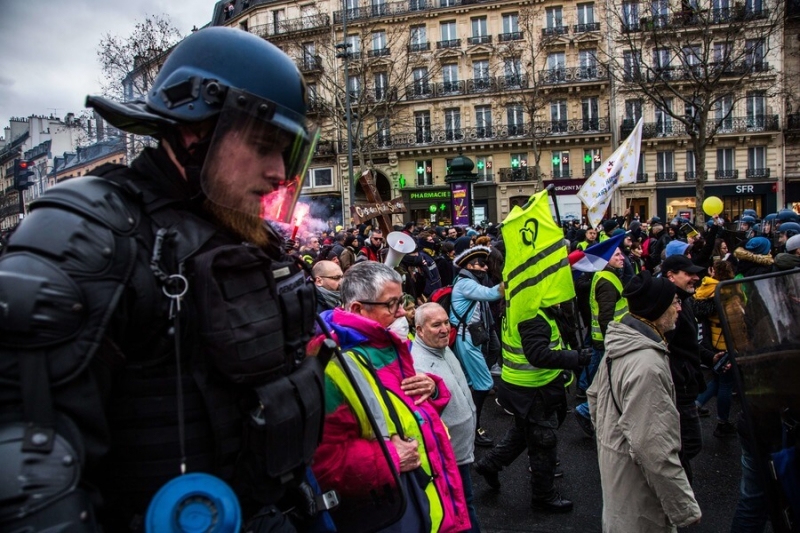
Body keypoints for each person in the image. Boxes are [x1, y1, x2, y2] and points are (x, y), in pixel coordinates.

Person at [0, 27, 330, 531]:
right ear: (195, 132)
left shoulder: (239, 230)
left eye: (287, 151)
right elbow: (26, 457)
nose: (279, 171)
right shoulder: (91, 231)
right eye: (265, 145)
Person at [313, 262, 470, 532]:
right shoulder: (332, 364)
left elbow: (407, 411)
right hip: (398, 514)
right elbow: (323, 463)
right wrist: (388, 458)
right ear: (358, 309)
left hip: (429, 505)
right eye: (391, 304)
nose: (401, 312)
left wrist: (432, 388)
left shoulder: (387, 344)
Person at [588, 271, 702, 532]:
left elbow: (594, 398)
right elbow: (655, 448)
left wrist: (609, 441)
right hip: (639, 485)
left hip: (618, 471)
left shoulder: (621, 344)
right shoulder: (647, 363)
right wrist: (684, 508)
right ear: (657, 309)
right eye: (674, 301)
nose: (679, 307)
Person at [473, 299, 591, 513]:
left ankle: (489, 464)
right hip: (534, 388)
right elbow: (538, 354)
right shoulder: (533, 313)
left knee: (522, 432)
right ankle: (543, 496)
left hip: (525, 386)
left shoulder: (525, 305)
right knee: (543, 441)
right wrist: (575, 357)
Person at [411, 302, 481, 532]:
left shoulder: (442, 347)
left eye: (446, 323)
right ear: (419, 330)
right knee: (461, 508)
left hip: (461, 449)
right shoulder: (418, 366)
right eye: (436, 325)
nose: (444, 329)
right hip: (448, 454)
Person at [661, 254, 720, 484]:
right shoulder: (669, 305)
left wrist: (709, 356)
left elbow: (688, 343)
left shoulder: (683, 300)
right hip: (679, 385)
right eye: (689, 274)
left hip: (686, 382)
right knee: (687, 444)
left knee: (686, 445)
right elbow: (665, 345)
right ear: (671, 276)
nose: (696, 277)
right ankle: (674, 495)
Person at [450, 246, 504, 447]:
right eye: (482, 264)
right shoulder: (466, 283)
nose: (485, 268)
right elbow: (491, 294)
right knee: (483, 384)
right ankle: (474, 427)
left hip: (468, 337)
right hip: (466, 339)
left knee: (465, 383)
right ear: (470, 266)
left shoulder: (466, 280)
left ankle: (464, 424)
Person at [574, 247, 628, 436]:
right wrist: (612, 340)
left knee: (601, 377)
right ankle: (586, 410)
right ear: (606, 260)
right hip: (608, 339)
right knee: (606, 380)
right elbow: (606, 317)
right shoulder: (606, 281)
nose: (622, 257)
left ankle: (586, 402)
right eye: (617, 255)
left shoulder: (607, 275)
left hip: (606, 338)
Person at [692, 260, 737, 438]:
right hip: (726, 343)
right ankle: (722, 421)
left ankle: (697, 403)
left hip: (712, 341)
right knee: (726, 384)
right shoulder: (728, 290)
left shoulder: (706, 289)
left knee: (718, 379)